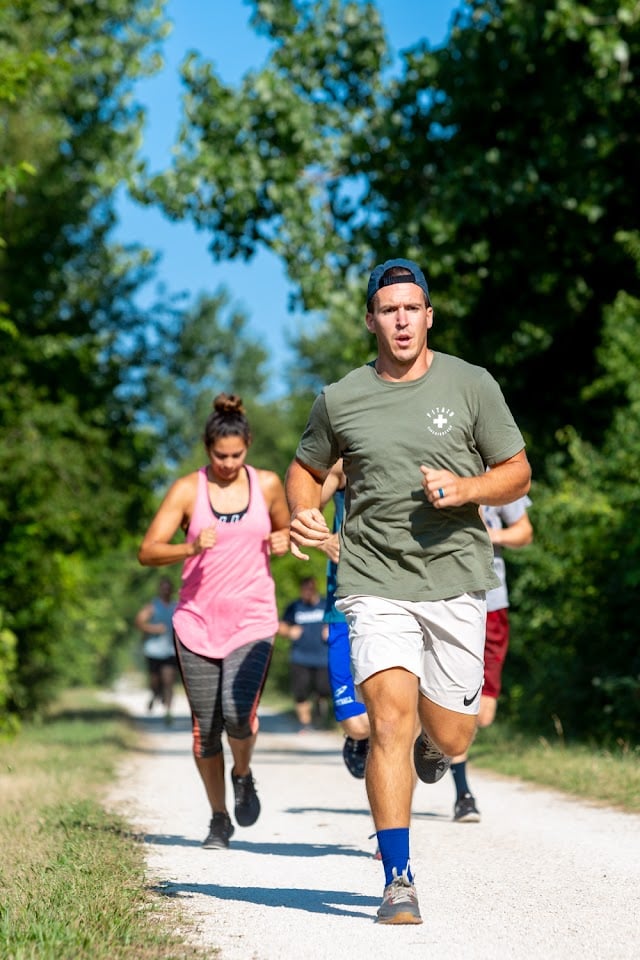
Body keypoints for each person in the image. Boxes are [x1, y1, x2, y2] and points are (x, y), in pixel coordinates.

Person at [285, 258, 531, 925]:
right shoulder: (341, 397)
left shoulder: (472, 385)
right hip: (372, 580)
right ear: (371, 319)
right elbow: (305, 469)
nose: (400, 319)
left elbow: (516, 472)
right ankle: (398, 878)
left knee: (452, 737)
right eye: (388, 309)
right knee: (388, 721)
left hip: (455, 580)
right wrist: (303, 510)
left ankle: (435, 745)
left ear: (429, 315)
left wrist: (469, 489)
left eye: (411, 307)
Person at [137, 393, 290, 850]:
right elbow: (147, 551)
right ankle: (219, 818)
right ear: (207, 450)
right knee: (206, 727)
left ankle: (242, 774)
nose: (228, 463)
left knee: (239, 713)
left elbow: (285, 526)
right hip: (197, 623)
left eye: (236, 455)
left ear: (248, 447)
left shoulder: (265, 485)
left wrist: (282, 540)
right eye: (220, 456)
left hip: (253, 619)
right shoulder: (188, 490)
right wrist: (189, 547)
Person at [450, 495, 533, 823]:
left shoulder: (499, 475)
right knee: (457, 701)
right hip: (448, 600)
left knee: (482, 715)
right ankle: (463, 793)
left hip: (493, 603)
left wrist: (490, 534)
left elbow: (524, 532)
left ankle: (440, 737)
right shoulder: (438, 462)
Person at [319, 460, 371, 778]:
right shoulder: (342, 465)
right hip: (343, 603)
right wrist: (323, 538)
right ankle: (359, 738)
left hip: (398, 597)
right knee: (357, 723)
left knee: (395, 715)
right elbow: (301, 505)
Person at [278, 576, 331, 732]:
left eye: (310, 588)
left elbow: (339, 622)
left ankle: (320, 718)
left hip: (323, 657)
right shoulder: (295, 606)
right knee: (300, 692)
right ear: (301, 590)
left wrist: (331, 630)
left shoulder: (325, 605)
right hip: (300, 657)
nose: (308, 592)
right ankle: (305, 724)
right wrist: (289, 631)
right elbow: (280, 626)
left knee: (323, 690)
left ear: (315, 588)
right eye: (305, 589)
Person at [135, 576, 178, 724]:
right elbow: (139, 621)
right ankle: (154, 694)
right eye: (163, 588)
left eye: (168, 588)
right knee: (155, 681)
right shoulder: (152, 606)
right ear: (160, 590)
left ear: (171, 590)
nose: (166, 591)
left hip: (171, 650)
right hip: (154, 650)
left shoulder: (176, 606)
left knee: (168, 680)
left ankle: (168, 712)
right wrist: (153, 629)